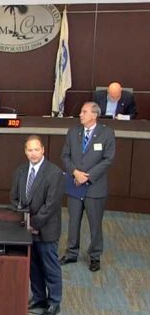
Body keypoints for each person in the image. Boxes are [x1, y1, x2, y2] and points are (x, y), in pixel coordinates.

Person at [10, 135, 64, 315]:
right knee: (33, 266)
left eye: (36, 149)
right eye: (29, 150)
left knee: (50, 266)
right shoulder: (20, 171)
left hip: (46, 229)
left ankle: (54, 301)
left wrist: (33, 223)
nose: (33, 153)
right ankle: (39, 297)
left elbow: (51, 206)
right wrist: (24, 219)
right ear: (25, 152)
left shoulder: (54, 173)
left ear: (43, 150)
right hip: (26, 229)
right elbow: (14, 198)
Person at [60, 102, 116, 272]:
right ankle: (71, 252)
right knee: (73, 221)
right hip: (75, 185)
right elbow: (65, 155)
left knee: (95, 223)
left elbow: (108, 159)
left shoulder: (107, 133)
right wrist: (75, 173)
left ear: (94, 115)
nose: (80, 115)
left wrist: (88, 176)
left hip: (95, 187)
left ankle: (95, 256)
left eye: (84, 112)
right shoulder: (73, 132)